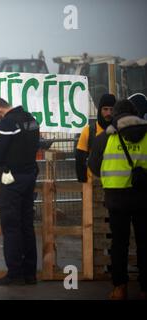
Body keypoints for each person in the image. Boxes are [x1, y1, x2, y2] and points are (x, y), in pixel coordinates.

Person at [89, 99, 147, 300]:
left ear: (116, 115)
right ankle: (145, 289)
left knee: (119, 243)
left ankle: (120, 288)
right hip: (143, 197)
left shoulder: (104, 138)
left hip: (116, 198)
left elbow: (94, 166)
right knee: (144, 242)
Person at [0, 97, 40, 286]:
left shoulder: (7, 123)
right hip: (30, 176)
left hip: (12, 179)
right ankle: (30, 273)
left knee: (11, 226)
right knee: (27, 225)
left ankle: (14, 273)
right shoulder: (30, 119)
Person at [75, 93, 116, 182]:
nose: (108, 113)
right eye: (105, 109)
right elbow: (80, 156)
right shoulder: (89, 131)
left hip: (115, 181)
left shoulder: (119, 131)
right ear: (100, 110)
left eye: (111, 109)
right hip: (93, 180)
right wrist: (82, 178)